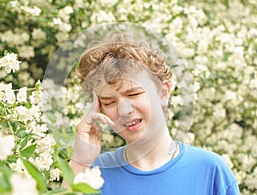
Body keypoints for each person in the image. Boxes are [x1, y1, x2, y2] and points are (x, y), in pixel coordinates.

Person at [64, 33, 240, 195]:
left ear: (163, 93)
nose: (124, 110)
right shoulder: (93, 174)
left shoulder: (210, 170)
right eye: (109, 102)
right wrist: (79, 163)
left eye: (133, 94)